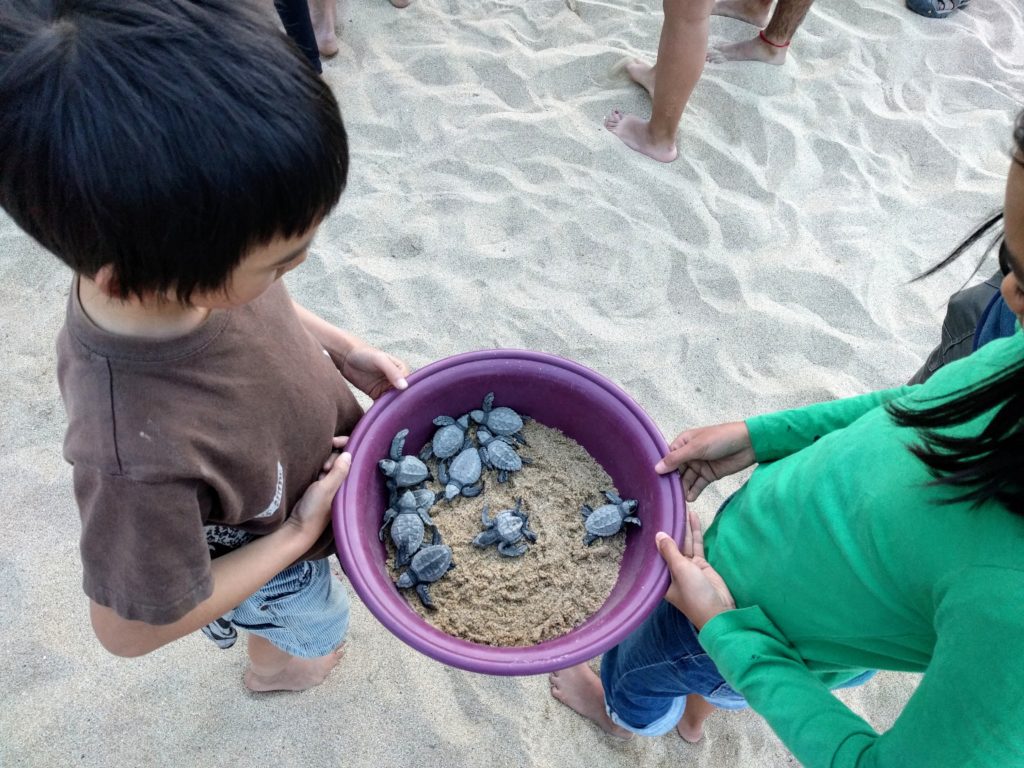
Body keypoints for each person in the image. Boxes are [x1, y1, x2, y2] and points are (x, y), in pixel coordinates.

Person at [551, 111, 1024, 765]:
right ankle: (698, 707)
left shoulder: (1010, 610)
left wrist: (727, 632)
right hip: (799, 607)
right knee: (710, 674)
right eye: (1007, 259)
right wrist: (764, 436)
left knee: (634, 674)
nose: (1004, 291)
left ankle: (621, 715)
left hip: (756, 627)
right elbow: (926, 404)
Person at [0, 0, 410, 693]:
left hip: (296, 495)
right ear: (137, 282)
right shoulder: (131, 451)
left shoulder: (177, 266)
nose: (293, 271)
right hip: (270, 555)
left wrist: (340, 349)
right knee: (304, 629)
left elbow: (259, 305)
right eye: (279, 262)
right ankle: (275, 669)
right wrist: (294, 538)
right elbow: (125, 631)